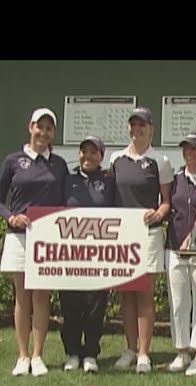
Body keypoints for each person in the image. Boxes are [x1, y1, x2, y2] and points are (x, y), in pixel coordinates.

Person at [0, 108, 69, 377]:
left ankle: (38, 356)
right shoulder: (13, 161)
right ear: (30, 127)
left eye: (49, 129)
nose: (44, 132)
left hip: (47, 240)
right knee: (22, 297)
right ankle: (22, 356)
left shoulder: (59, 164)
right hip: (19, 238)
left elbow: (66, 201)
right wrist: (11, 217)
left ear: (53, 134)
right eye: (40, 127)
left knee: (41, 296)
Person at [108, 107, 173, 374]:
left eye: (142, 125)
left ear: (151, 129)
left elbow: (167, 202)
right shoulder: (116, 159)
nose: (137, 130)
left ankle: (144, 353)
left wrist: (159, 213)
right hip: (122, 236)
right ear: (128, 128)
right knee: (126, 295)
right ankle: (130, 349)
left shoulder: (161, 161)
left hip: (148, 235)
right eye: (133, 125)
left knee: (145, 294)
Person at [60, 136, 115, 373]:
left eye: (93, 153)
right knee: (70, 304)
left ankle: (91, 352)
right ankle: (72, 352)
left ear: (101, 157)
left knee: (95, 304)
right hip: (70, 254)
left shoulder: (108, 182)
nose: (88, 157)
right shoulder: (68, 180)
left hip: (99, 256)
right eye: (84, 152)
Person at [165, 132, 196, 376]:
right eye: (186, 148)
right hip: (174, 248)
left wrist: (194, 238)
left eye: (194, 148)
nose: (189, 153)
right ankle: (182, 351)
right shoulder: (174, 180)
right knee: (178, 302)